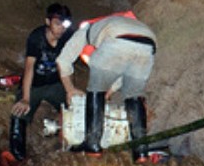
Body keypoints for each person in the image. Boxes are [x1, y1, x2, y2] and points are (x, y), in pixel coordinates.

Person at [55, 11, 157, 158]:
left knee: (95, 88)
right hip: (148, 43)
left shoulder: (85, 31)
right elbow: (123, 72)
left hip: (118, 39)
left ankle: (92, 144)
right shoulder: (112, 23)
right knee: (133, 95)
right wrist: (110, 90)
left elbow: (63, 61)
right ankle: (141, 150)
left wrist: (69, 89)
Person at [9, 4, 74, 160]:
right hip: (35, 85)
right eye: (57, 24)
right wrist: (25, 97)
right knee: (18, 115)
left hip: (55, 84)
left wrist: (70, 90)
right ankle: (17, 156)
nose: (61, 29)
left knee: (74, 108)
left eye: (64, 25)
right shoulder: (36, 37)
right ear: (47, 21)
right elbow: (29, 68)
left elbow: (68, 65)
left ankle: (73, 144)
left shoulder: (67, 37)